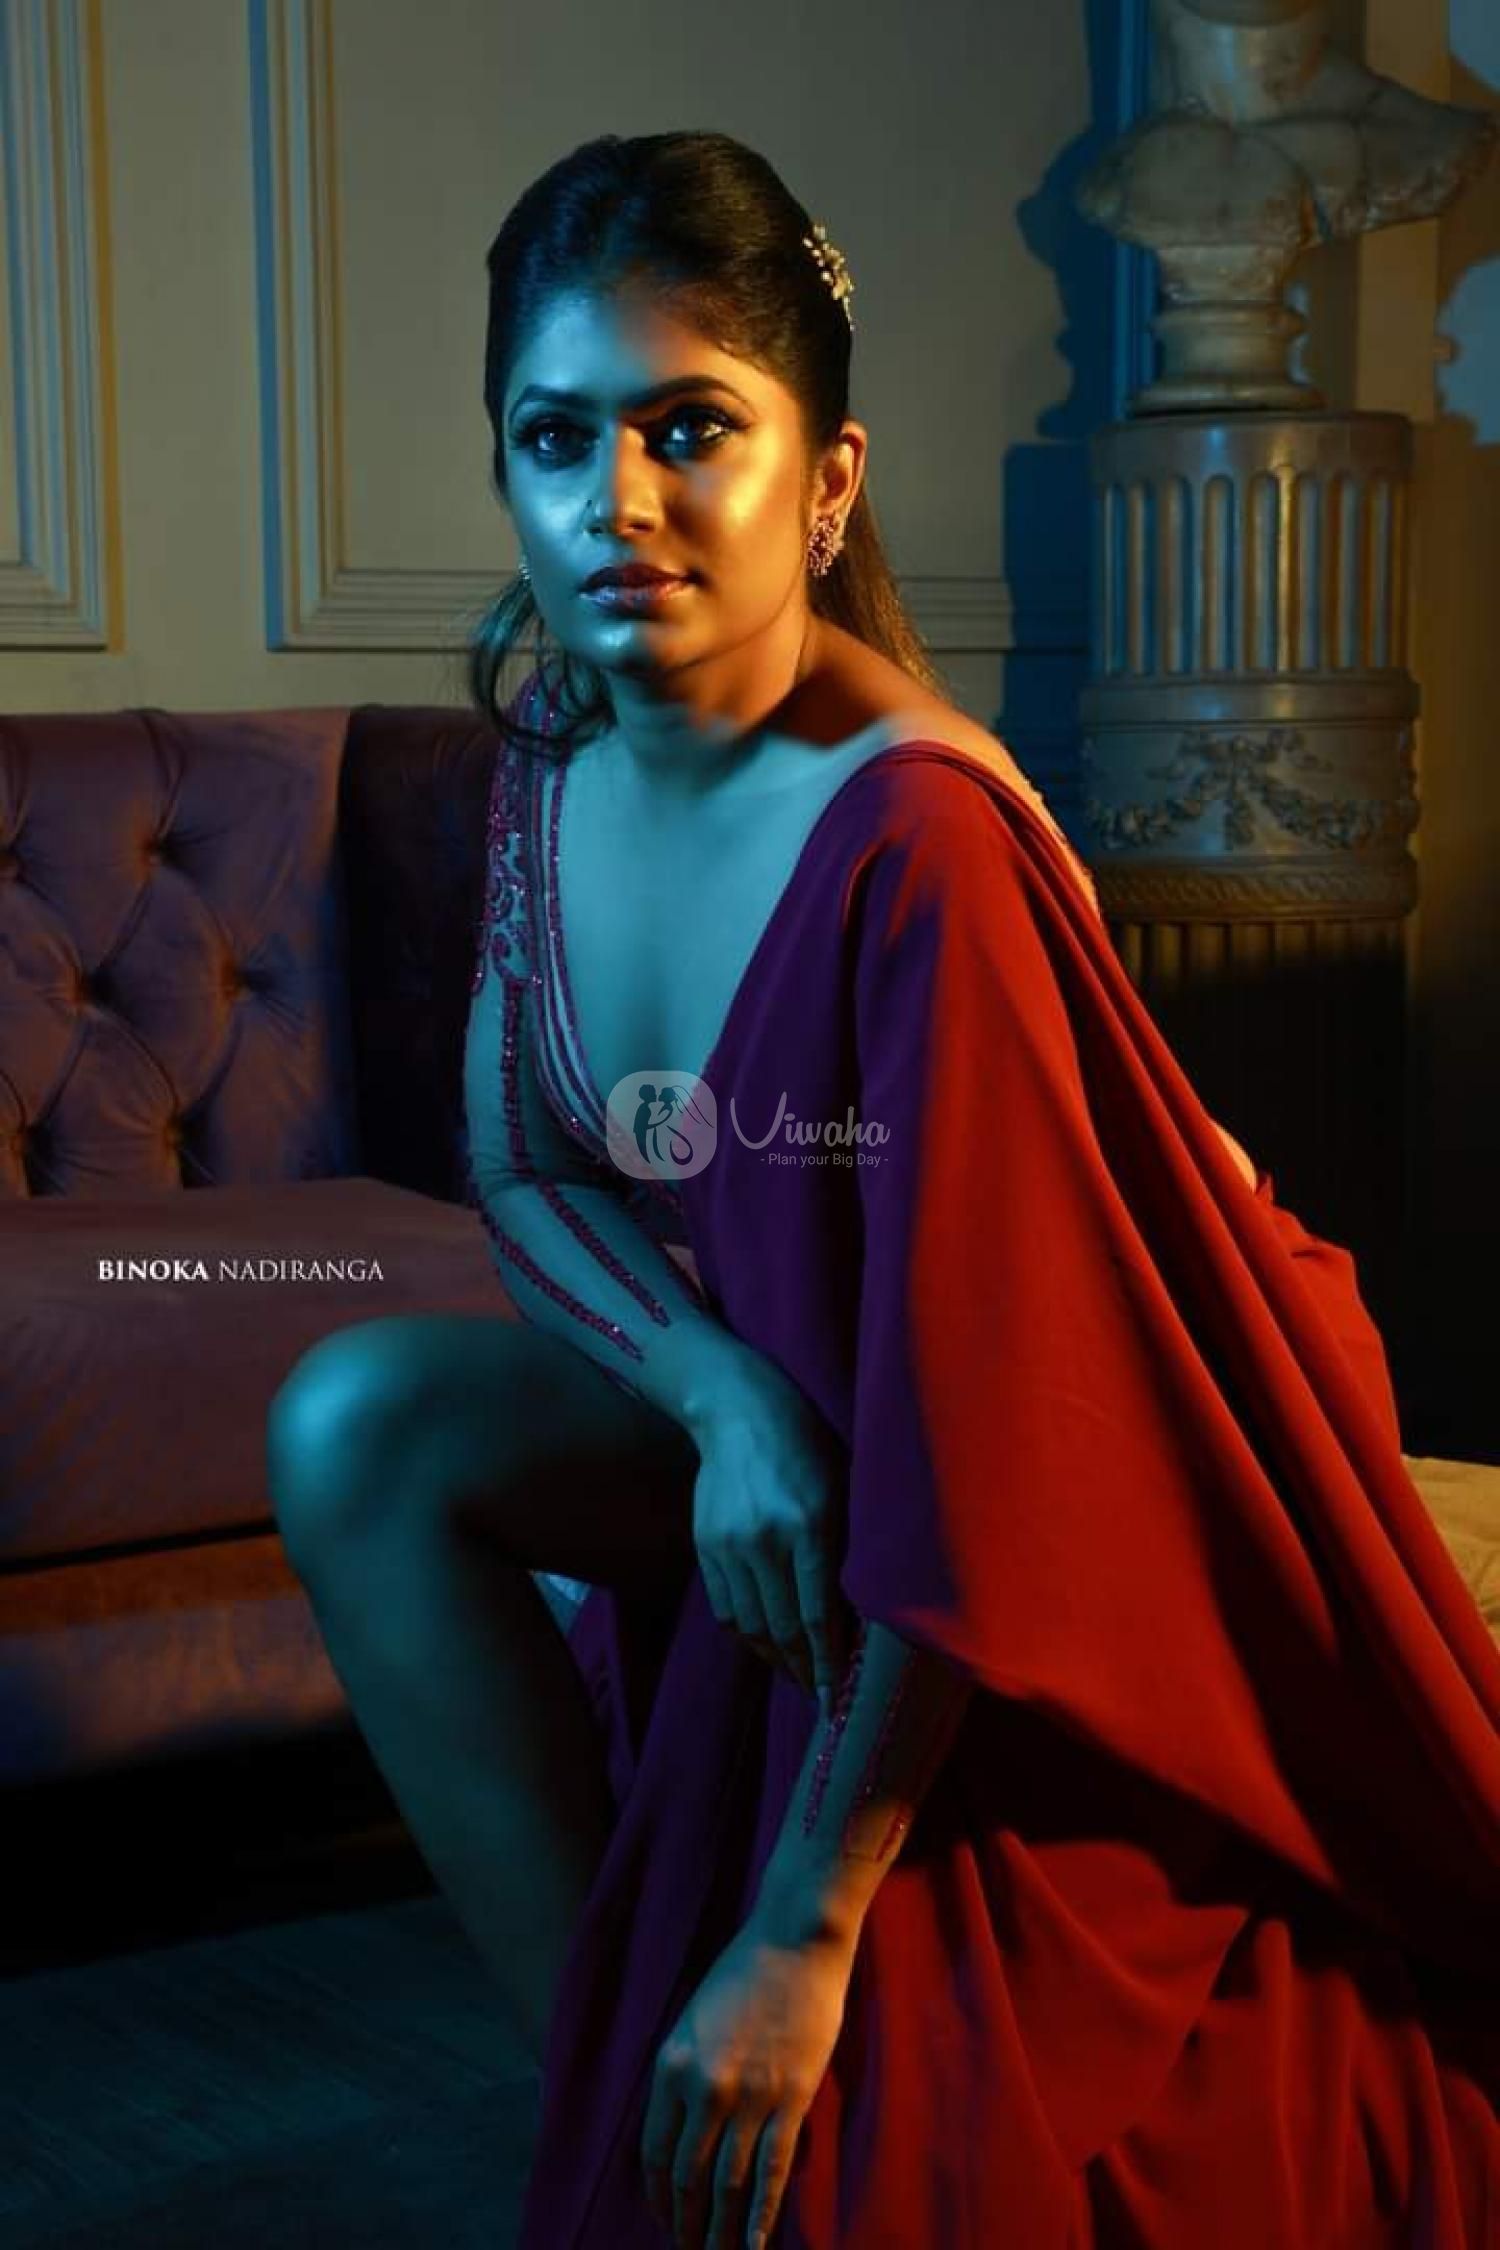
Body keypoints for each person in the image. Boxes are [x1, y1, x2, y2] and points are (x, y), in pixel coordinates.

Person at [266, 130, 1500, 2250]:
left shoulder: (921, 844)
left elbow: (986, 1438)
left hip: (1068, 1488)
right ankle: (620, 2101)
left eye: (690, 429)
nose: (614, 500)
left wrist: (807, 1931)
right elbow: (526, 1156)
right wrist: (720, 1392)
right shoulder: (554, 743)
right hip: (830, 1425)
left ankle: (730, 2051)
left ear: (826, 481)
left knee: (889, 2161)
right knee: (356, 1422)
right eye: (555, 437)